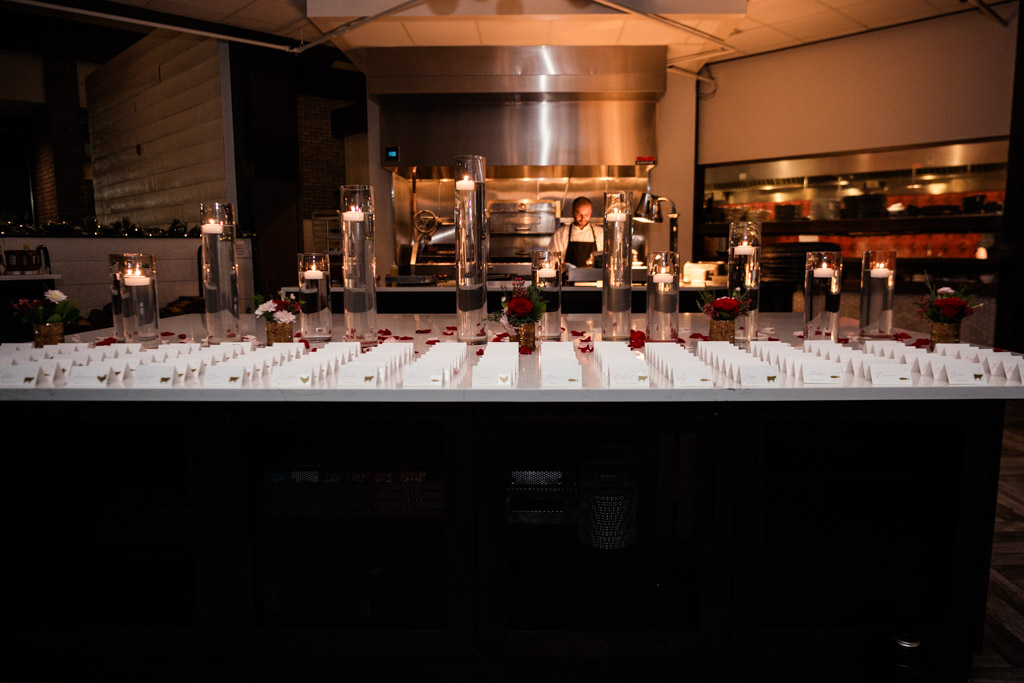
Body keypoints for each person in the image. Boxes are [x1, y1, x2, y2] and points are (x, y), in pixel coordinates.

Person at [550, 197, 604, 267]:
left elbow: (604, 259)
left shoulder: (600, 233)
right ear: (572, 211)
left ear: (591, 212)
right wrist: (564, 266)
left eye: (587, 214)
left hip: (594, 277)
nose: (583, 218)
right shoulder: (560, 234)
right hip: (568, 277)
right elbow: (553, 259)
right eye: (579, 214)